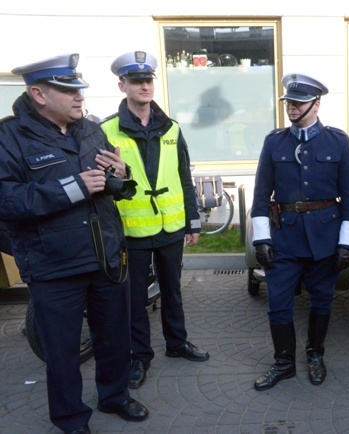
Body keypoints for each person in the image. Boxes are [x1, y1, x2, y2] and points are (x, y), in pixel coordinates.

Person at [0, 53, 148, 433]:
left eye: (79, 89)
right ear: (38, 94)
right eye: (68, 91)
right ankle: (70, 419)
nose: (79, 97)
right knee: (62, 353)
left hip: (105, 256)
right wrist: (72, 188)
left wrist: (121, 175)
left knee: (115, 339)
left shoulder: (91, 130)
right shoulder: (9, 136)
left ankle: (114, 396)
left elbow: (111, 187)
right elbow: (8, 200)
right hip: (54, 266)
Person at [101, 51, 209, 390]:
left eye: (148, 80)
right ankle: (139, 356)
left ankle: (176, 344)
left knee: (172, 291)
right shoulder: (105, 130)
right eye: (136, 81)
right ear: (122, 85)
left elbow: (183, 176)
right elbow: (101, 185)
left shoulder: (172, 128)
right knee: (134, 299)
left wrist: (192, 220)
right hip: (131, 230)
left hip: (170, 227)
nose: (144, 85)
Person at [251, 73, 349, 390]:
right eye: (289, 102)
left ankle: (315, 355)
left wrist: (347, 243)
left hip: (325, 238)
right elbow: (260, 196)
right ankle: (283, 362)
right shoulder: (274, 142)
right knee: (279, 303)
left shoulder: (338, 142)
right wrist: (261, 239)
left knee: (322, 301)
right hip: (284, 237)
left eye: (299, 102)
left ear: (317, 103)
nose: (292, 108)